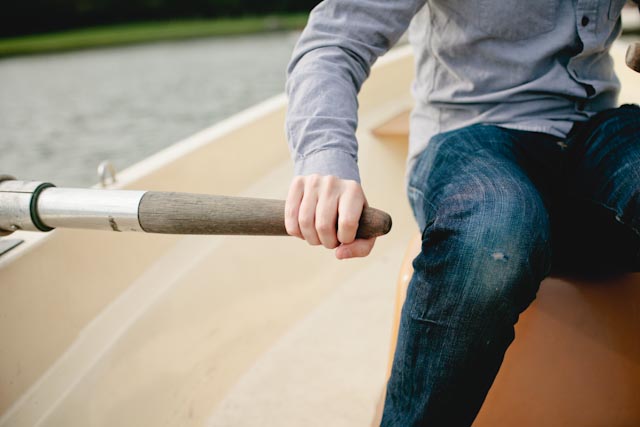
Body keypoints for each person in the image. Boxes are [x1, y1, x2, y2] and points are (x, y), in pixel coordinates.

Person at [283, 1, 640, 425]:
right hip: (471, 133)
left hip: (598, 131)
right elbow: (335, 41)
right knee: (493, 236)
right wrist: (326, 156)